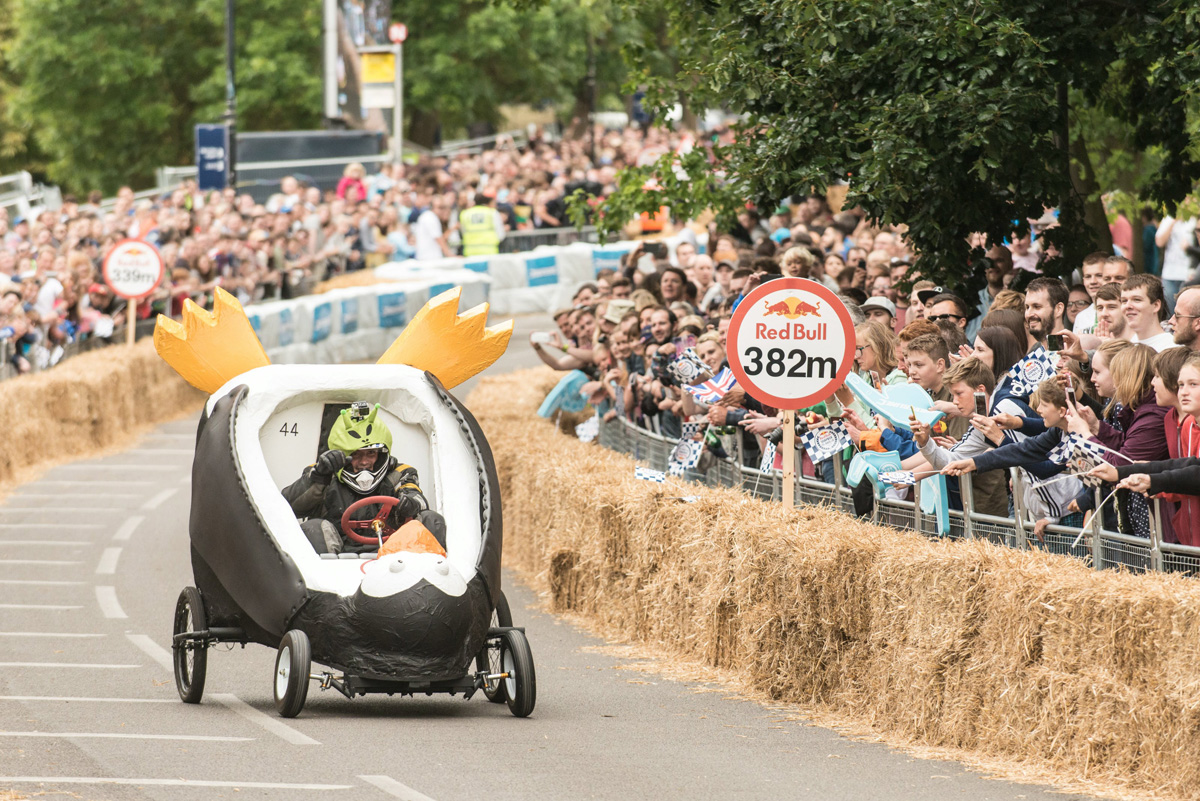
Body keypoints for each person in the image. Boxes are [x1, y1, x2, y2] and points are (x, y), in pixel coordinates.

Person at [282, 403, 446, 555]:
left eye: (371, 453)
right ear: (342, 455)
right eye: (355, 454)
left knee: (431, 519)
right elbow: (287, 507)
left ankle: (430, 577)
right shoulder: (321, 473)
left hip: (395, 557)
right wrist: (319, 476)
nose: (364, 462)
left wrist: (411, 503)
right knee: (313, 528)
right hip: (336, 562)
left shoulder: (400, 472)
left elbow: (418, 497)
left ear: (381, 454)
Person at [1122, 273, 1174, 351]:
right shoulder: (1128, 345)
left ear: (1156, 305)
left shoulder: (1171, 347)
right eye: (1124, 301)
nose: (1128, 306)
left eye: (1137, 300)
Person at [459, 189, 506, 256]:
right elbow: (500, 233)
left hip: (470, 252)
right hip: (490, 251)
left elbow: (463, 232)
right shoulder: (492, 213)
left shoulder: (465, 214)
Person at [1073, 252, 1109, 334]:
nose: (1093, 281)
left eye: (1099, 275)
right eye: (1088, 276)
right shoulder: (1081, 317)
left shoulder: (1122, 311)